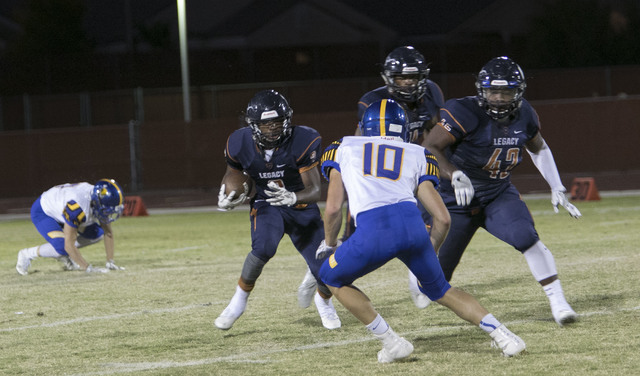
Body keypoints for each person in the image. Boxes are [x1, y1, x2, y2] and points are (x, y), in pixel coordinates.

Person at [316, 99, 525, 362]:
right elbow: (443, 218)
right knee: (441, 290)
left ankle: (392, 343)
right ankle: (505, 336)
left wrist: (329, 243)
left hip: (374, 228)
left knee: (331, 278)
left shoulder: (343, 147)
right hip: (412, 226)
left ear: (365, 127)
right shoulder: (417, 153)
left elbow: (334, 207)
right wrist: (430, 249)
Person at [420, 56, 581, 326]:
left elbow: (538, 147)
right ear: (481, 91)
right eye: (493, 91)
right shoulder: (464, 111)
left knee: (526, 237)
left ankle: (558, 301)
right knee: (434, 280)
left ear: (518, 92)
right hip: (456, 197)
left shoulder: (525, 113)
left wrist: (556, 185)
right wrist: (454, 173)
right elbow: (429, 147)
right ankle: (423, 278)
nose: (497, 98)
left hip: (496, 193)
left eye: (505, 92)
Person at [298, 46, 445, 309]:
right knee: (353, 238)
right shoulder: (372, 102)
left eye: (413, 77)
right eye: (401, 78)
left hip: (405, 171)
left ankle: (419, 278)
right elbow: (360, 142)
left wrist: (431, 165)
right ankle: (318, 275)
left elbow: (433, 134)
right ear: (389, 78)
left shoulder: (432, 93)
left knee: (425, 222)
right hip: (375, 177)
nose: (409, 83)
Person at [214, 89, 341, 331]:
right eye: (266, 123)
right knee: (263, 248)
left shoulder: (304, 140)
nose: (272, 128)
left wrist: (293, 196)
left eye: (277, 122)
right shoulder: (239, 142)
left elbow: (315, 190)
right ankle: (237, 302)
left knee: (325, 269)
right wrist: (230, 196)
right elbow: (234, 175)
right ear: (254, 125)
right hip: (267, 202)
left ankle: (323, 302)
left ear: (287, 120)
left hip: (300, 205)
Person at [16, 179, 126, 275]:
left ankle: (67, 257)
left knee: (97, 234)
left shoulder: (97, 197)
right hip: (44, 212)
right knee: (62, 247)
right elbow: (68, 245)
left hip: (62, 208)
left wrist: (110, 261)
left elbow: (108, 233)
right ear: (97, 202)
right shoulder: (77, 207)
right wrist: (87, 268)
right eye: (108, 208)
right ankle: (27, 254)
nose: (109, 212)